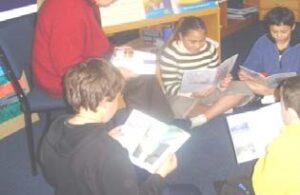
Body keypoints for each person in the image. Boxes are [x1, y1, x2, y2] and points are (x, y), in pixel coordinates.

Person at [39, 58, 201, 195]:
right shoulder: (112, 153)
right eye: (117, 98)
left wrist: (104, 137)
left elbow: (52, 175)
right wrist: (160, 174)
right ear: (104, 103)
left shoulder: (57, 126)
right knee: (192, 191)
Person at [32, 0, 174, 122]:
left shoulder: (86, 3)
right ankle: (148, 133)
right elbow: (70, 71)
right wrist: (115, 74)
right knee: (138, 80)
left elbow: (91, 42)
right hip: (64, 81)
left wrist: (115, 51)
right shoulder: (68, 10)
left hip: (84, 66)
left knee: (142, 72)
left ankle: (163, 124)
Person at [158, 16, 253, 128]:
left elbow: (214, 75)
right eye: (192, 42)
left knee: (242, 87)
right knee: (174, 105)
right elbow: (170, 87)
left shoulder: (210, 48)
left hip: (209, 91)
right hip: (184, 95)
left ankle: (205, 117)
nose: (198, 46)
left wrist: (221, 83)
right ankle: (219, 110)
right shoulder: (169, 53)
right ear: (181, 36)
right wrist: (192, 93)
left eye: (202, 40)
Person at [252, 75, 300, 195]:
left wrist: (266, 154)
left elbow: (263, 190)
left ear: (290, 113)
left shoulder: (282, 147)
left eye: (281, 104)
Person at [239, 6, 300, 96]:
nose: (279, 35)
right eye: (274, 32)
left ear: (293, 27)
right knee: (244, 84)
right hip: (267, 85)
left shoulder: (298, 44)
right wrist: (245, 74)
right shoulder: (263, 42)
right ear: (269, 28)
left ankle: (275, 94)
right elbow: (250, 67)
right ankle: (277, 94)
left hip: (293, 87)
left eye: (284, 32)